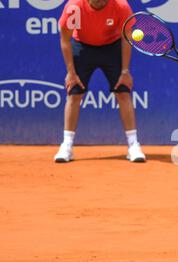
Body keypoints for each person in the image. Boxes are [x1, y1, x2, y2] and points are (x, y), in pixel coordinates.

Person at [54, 0, 146, 163]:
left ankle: (133, 145)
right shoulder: (74, 7)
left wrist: (125, 71)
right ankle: (66, 145)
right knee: (74, 93)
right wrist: (71, 72)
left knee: (123, 92)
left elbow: (126, 38)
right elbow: (65, 39)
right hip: (82, 47)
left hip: (112, 47)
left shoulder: (120, 6)